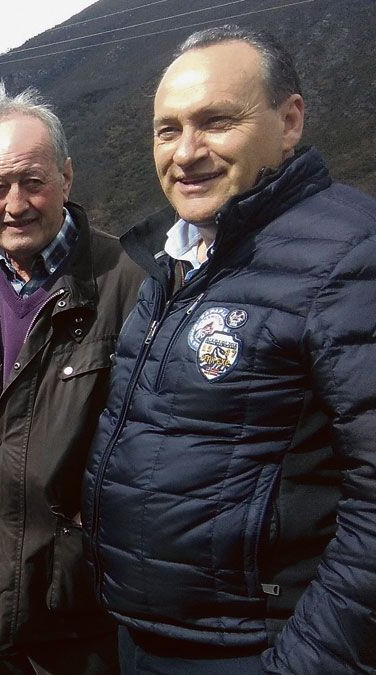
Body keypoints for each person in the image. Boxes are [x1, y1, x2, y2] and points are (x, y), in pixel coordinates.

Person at [83, 25, 376, 673]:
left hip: (258, 646)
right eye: (168, 129)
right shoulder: (172, 257)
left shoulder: (349, 259)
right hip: (151, 636)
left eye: (217, 121)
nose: (187, 152)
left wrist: (306, 661)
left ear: (289, 119)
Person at [0, 82, 142, 674]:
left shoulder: (129, 283)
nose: (16, 203)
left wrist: (83, 539)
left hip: (82, 600)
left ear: (67, 178)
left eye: (33, 181)